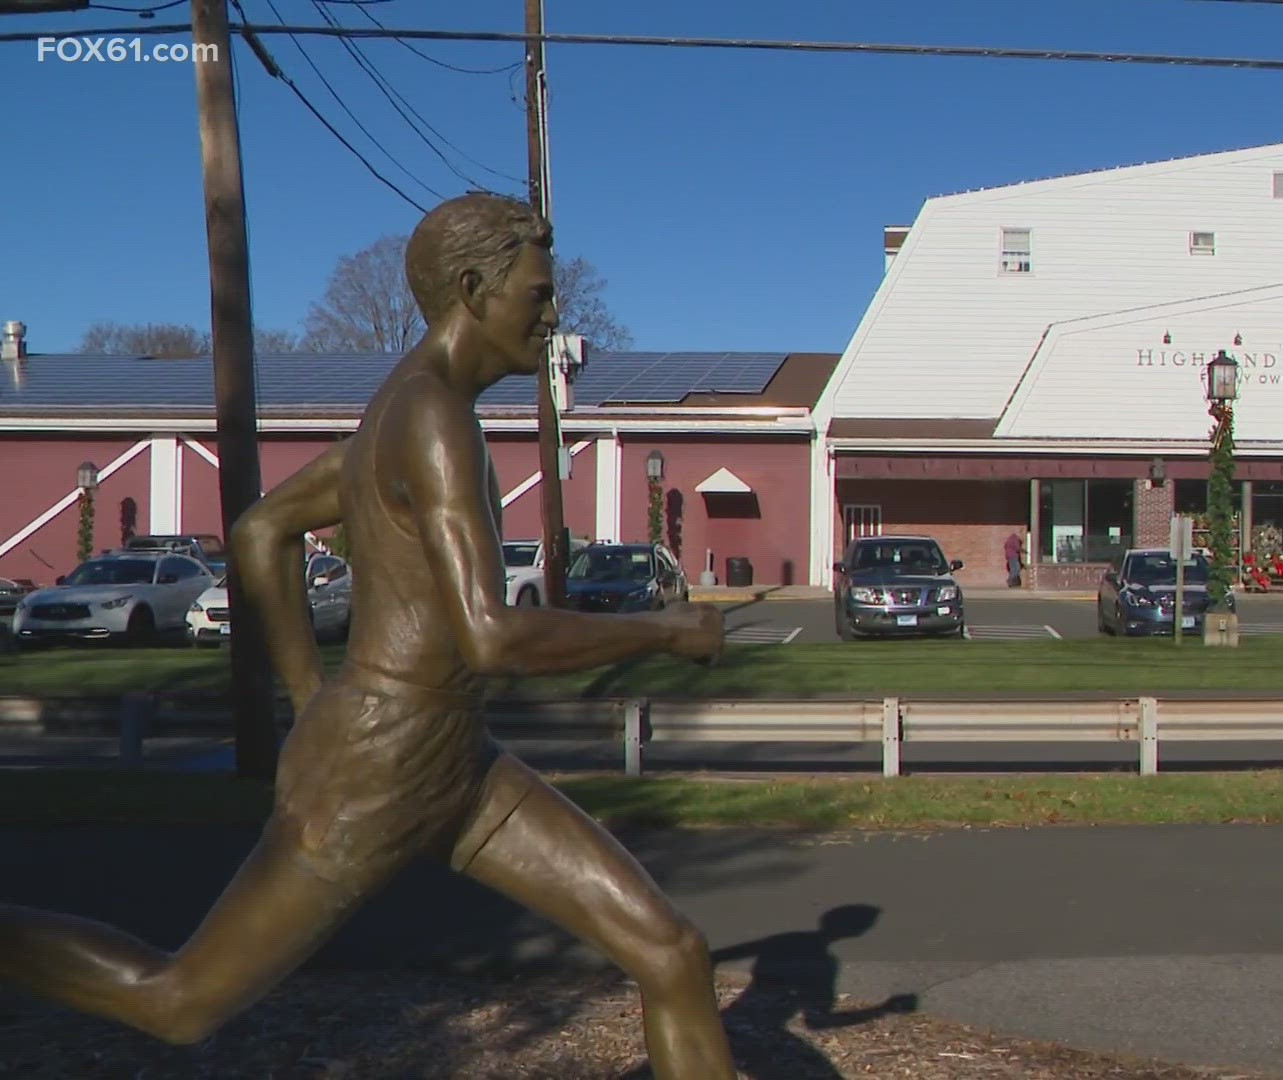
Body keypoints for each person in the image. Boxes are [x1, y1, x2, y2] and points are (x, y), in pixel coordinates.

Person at [0, 193, 737, 1079]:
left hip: (455, 760)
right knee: (180, 1000)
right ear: (473, 289)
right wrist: (663, 632)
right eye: (538, 297)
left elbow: (259, 532)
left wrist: (314, 700)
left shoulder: (399, 411)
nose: (553, 318)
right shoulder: (430, 419)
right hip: (380, 770)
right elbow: (492, 637)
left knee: (671, 953)